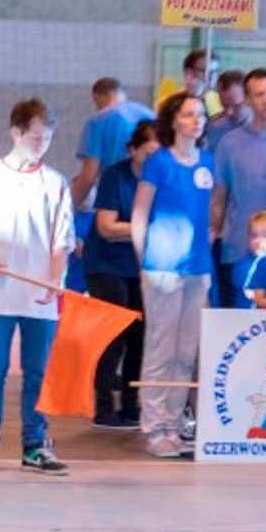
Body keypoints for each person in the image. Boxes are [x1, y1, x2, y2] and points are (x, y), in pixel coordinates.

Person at [0, 98, 74, 476]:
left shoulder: (56, 183)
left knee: (38, 373)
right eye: (36, 138)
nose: (42, 145)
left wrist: (53, 279)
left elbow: (62, 240)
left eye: (47, 139)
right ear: (16, 133)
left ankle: (35, 445)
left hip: (40, 297)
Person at [131, 92, 213, 459]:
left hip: (198, 268)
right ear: (174, 120)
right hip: (162, 267)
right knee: (160, 347)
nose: (197, 120)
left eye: (201, 115)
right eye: (189, 114)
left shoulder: (208, 162)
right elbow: (140, 213)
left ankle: (174, 422)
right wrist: (145, 261)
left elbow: (207, 211)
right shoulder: (159, 161)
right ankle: (154, 427)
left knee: (186, 350)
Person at [85, 121, 157, 430]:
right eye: (147, 154)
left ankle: (130, 404)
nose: (152, 161)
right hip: (106, 264)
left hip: (141, 265)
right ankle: (103, 406)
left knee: (140, 336)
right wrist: (147, 229)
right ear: (133, 150)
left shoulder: (161, 179)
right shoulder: (116, 176)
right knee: (114, 333)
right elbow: (106, 227)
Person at [212, 69, 266, 309]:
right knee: (237, 325)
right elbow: (218, 199)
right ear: (248, 99)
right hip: (239, 250)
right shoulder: (229, 144)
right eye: (259, 94)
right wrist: (211, 236)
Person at [72, 77, 154, 208]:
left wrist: (69, 207)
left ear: (99, 96)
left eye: (96, 102)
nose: (96, 107)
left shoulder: (98, 121)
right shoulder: (151, 115)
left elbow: (89, 176)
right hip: (152, 194)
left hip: (116, 194)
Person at [154, 48, 223, 117]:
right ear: (189, 73)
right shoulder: (169, 103)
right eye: (205, 71)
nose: (212, 76)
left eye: (215, 71)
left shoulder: (221, 100)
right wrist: (191, 95)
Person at [204, 69, 249, 152]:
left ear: (248, 98)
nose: (229, 112)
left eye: (236, 106)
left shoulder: (265, 127)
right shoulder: (215, 128)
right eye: (224, 105)